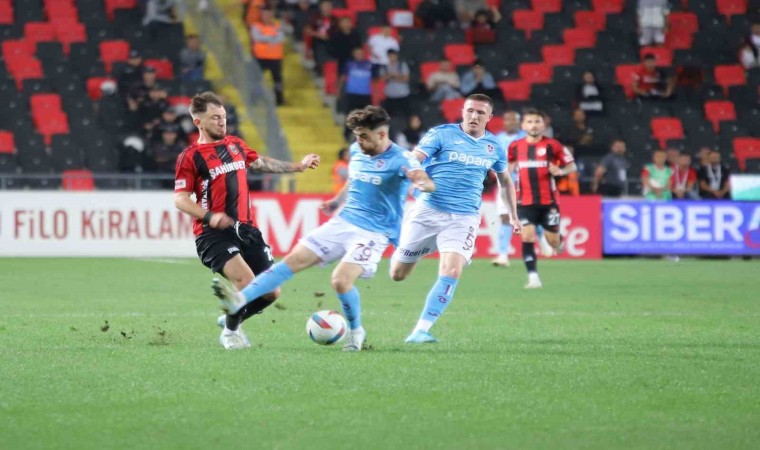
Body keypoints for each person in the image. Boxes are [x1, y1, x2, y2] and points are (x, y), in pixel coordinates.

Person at [211, 106, 435, 351]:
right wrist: (337, 201)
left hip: (375, 233)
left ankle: (356, 332)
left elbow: (421, 178)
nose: (359, 142)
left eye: (364, 136)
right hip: (343, 222)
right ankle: (238, 300)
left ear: (382, 135)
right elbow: (355, 178)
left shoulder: (403, 159)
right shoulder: (357, 150)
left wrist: (422, 184)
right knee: (292, 261)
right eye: (357, 136)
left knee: (340, 280)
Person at [173, 91, 320, 349]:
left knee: (271, 291)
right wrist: (210, 216)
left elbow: (261, 163)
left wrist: (298, 167)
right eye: (214, 117)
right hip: (212, 233)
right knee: (246, 282)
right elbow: (180, 199)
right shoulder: (190, 156)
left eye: (223, 116)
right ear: (198, 122)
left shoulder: (235, 145)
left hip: (247, 230)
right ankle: (230, 333)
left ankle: (231, 318)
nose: (222, 121)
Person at [388, 94, 522, 344]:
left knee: (452, 269)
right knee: (398, 274)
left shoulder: (494, 146)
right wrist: (415, 175)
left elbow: (505, 181)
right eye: (470, 110)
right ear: (463, 111)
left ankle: (421, 330)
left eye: (480, 113)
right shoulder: (441, 134)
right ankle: (424, 247)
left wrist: (514, 215)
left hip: (464, 217)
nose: (474, 116)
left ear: (489, 117)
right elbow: (414, 158)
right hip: (428, 211)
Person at [509, 108, 577, 289]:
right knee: (527, 235)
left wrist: (561, 170)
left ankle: (558, 241)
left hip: (549, 203)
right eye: (530, 122)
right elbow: (508, 166)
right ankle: (533, 278)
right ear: (523, 125)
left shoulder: (553, 145)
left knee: (552, 242)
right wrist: (506, 172)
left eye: (537, 121)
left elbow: (572, 166)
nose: (533, 125)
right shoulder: (515, 146)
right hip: (524, 202)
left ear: (543, 125)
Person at [492, 110, 526, 267]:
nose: (510, 122)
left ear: (519, 122)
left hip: (525, 183)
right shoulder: (497, 139)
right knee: (505, 216)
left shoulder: (526, 137)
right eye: (508, 120)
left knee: (530, 216)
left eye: (514, 120)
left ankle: (542, 238)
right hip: (505, 183)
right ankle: (503, 254)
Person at [251, 8, 285, 105]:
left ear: (272, 15)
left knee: (277, 80)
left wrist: (265, 38)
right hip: (260, 57)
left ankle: (279, 100)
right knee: (257, 79)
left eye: (269, 14)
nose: (267, 17)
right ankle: (255, 100)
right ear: (262, 15)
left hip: (276, 57)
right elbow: (257, 38)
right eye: (265, 15)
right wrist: (272, 37)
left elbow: (280, 38)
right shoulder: (256, 26)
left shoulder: (278, 26)